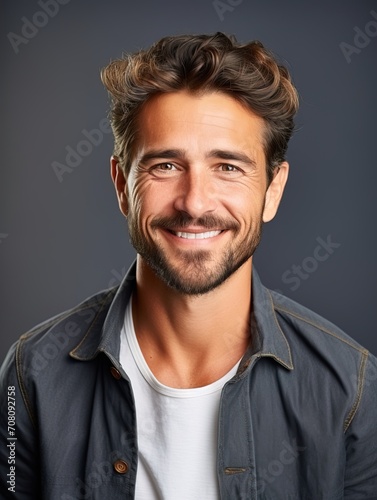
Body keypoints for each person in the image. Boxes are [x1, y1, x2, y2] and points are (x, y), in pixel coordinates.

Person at [0, 32, 376, 500]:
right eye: (165, 165)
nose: (194, 202)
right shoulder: (29, 377)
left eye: (229, 167)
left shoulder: (351, 391)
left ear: (273, 191)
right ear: (122, 185)